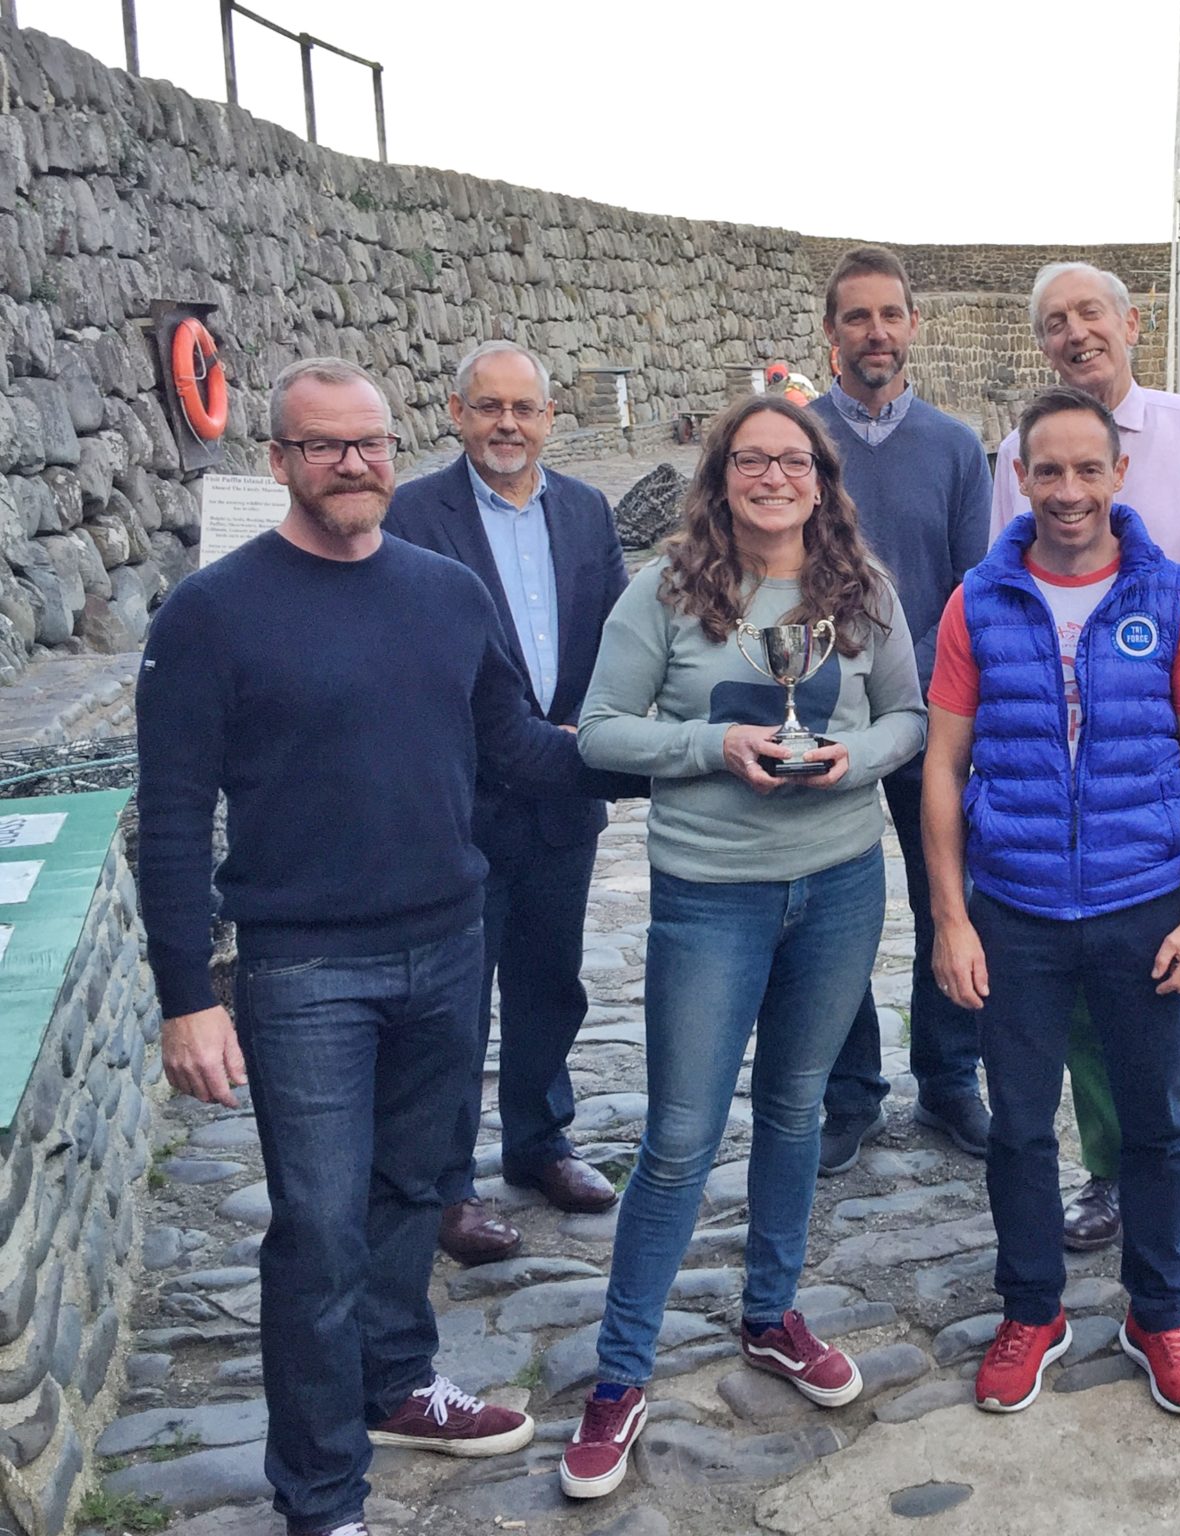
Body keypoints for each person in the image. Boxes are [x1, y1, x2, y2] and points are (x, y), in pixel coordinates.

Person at [135, 357, 626, 1536]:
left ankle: (400, 1379)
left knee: (414, 1191)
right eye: (323, 446)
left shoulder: (444, 593)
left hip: (446, 946)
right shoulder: (210, 615)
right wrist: (184, 997)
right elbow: (168, 817)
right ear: (280, 462)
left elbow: (518, 749)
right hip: (305, 970)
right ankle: (320, 1497)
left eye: (368, 443)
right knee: (316, 1231)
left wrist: (692, 751)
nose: (352, 463)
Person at [559, 394, 925, 1500]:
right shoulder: (667, 593)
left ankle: (770, 1313)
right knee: (674, 1139)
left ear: (821, 476)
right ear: (720, 481)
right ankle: (620, 1375)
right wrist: (715, 743)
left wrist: (847, 761)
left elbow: (906, 719)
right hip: (710, 897)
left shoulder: (859, 589)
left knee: (796, 1109)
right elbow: (597, 730)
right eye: (751, 460)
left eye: (794, 459)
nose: (775, 476)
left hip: (838, 887)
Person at [927, 385, 1180, 1415]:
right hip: (1011, 908)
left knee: (1154, 1124)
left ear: (1118, 474)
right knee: (1018, 1127)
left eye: (1084, 469)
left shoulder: (1173, 599)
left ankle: (1158, 1315)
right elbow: (941, 767)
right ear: (1018, 478)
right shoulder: (976, 601)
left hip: (1140, 902)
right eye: (1045, 470)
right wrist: (951, 920)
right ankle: (1033, 1311)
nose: (1066, 490)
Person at [990, 261, 1180, 1298]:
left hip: (1171, 759)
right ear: (1041, 345)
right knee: (1074, 1006)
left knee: (1177, 991)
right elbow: (997, 595)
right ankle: (1110, 1172)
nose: (1075, 333)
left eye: (1089, 315)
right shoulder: (1012, 455)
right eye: (1055, 323)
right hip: (1051, 779)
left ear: (1129, 323)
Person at [386, 340, 633, 1266]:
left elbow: (616, 637)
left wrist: (601, 736)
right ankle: (446, 1186)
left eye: (524, 409)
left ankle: (539, 1144)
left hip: (564, 794)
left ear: (548, 420)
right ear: (457, 415)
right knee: (455, 1004)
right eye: (488, 408)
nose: (507, 425)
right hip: (462, 801)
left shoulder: (586, 510)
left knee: (549, 983)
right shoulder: (414, 512)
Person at [811, 245, 993, 1174]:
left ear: (913, 326)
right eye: (856, 317)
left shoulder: (960, 448)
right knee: (839, 910)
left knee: (944, 901)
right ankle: (849, 1093)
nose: (875, 332)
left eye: (890, 315)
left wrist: (931, 694)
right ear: (830, 331)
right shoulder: (794, 438)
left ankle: (951, 1080)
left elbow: (974, 591)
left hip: (937, 716)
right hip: (828, 719)